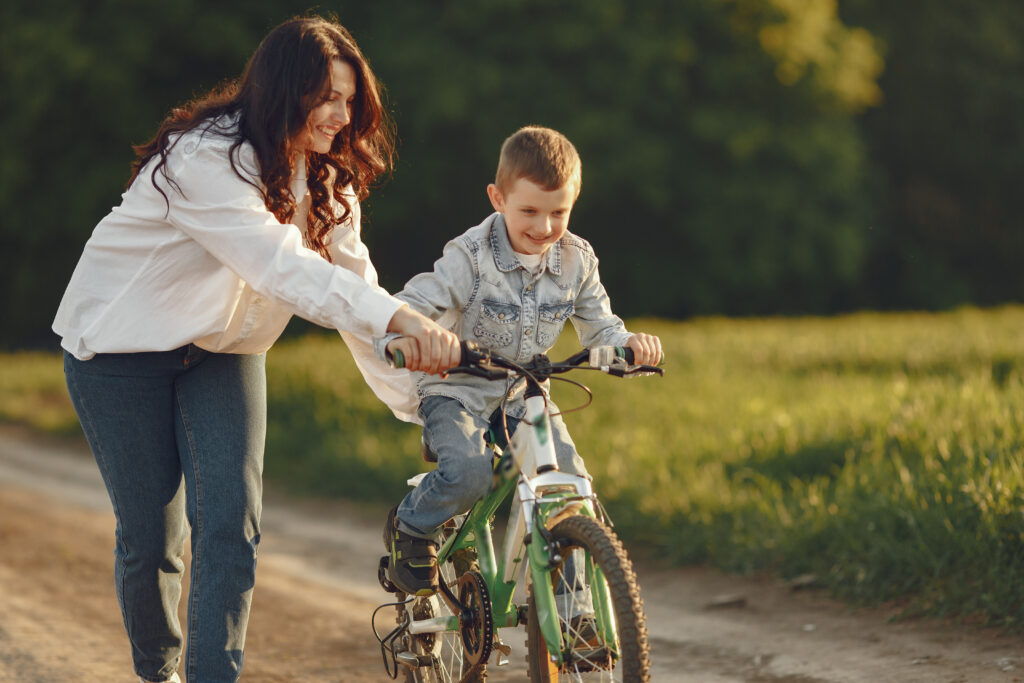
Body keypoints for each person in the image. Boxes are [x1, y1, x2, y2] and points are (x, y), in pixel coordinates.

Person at [53, 16, 460, 683]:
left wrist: (420, 399)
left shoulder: (328, 179)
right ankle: (159, 672)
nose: (340, 113)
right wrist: (398, 319)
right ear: (282, 91)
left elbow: (352, 292)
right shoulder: (203, 157)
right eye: (326, 96)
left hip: (224, 351)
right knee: (155, 538)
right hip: (120, 354)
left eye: (349, 99)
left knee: (232, 526)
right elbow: (284, 270)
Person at [377, 125, 661, 596]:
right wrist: (407, 339)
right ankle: (412, 525)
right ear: (497, 198)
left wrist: (632, 347)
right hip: (457, 389)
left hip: (524, 394)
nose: (544, 227)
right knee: (470, 473)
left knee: (570, 487)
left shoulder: (577, 260)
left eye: (559, 212)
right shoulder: (469, 256)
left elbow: (602, 328)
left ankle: (574, 615)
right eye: (529, 210)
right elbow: (411, 306)